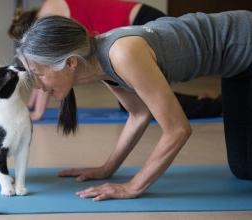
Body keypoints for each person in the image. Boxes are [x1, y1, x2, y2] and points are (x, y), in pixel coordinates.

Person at [17, 10, 252, 201]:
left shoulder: (122, 54)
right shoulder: (97, 63)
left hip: (246, 40)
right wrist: (106, 169)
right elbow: (139, 113)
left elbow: (178, 129)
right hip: (238, 65)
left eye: (38, 74)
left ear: (70, 63)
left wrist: (133, 186)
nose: (37, 86)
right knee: (244, 167)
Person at [8, 0, 222, 121]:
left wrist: (38, 112)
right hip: (131, 25)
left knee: (141, 99)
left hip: (138, 23)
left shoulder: (48, 18)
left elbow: (49, 64)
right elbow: (43, 68)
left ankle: (216, 105)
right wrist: (31, 105)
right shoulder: (50, 10)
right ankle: (205, 102)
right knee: (138, 98)